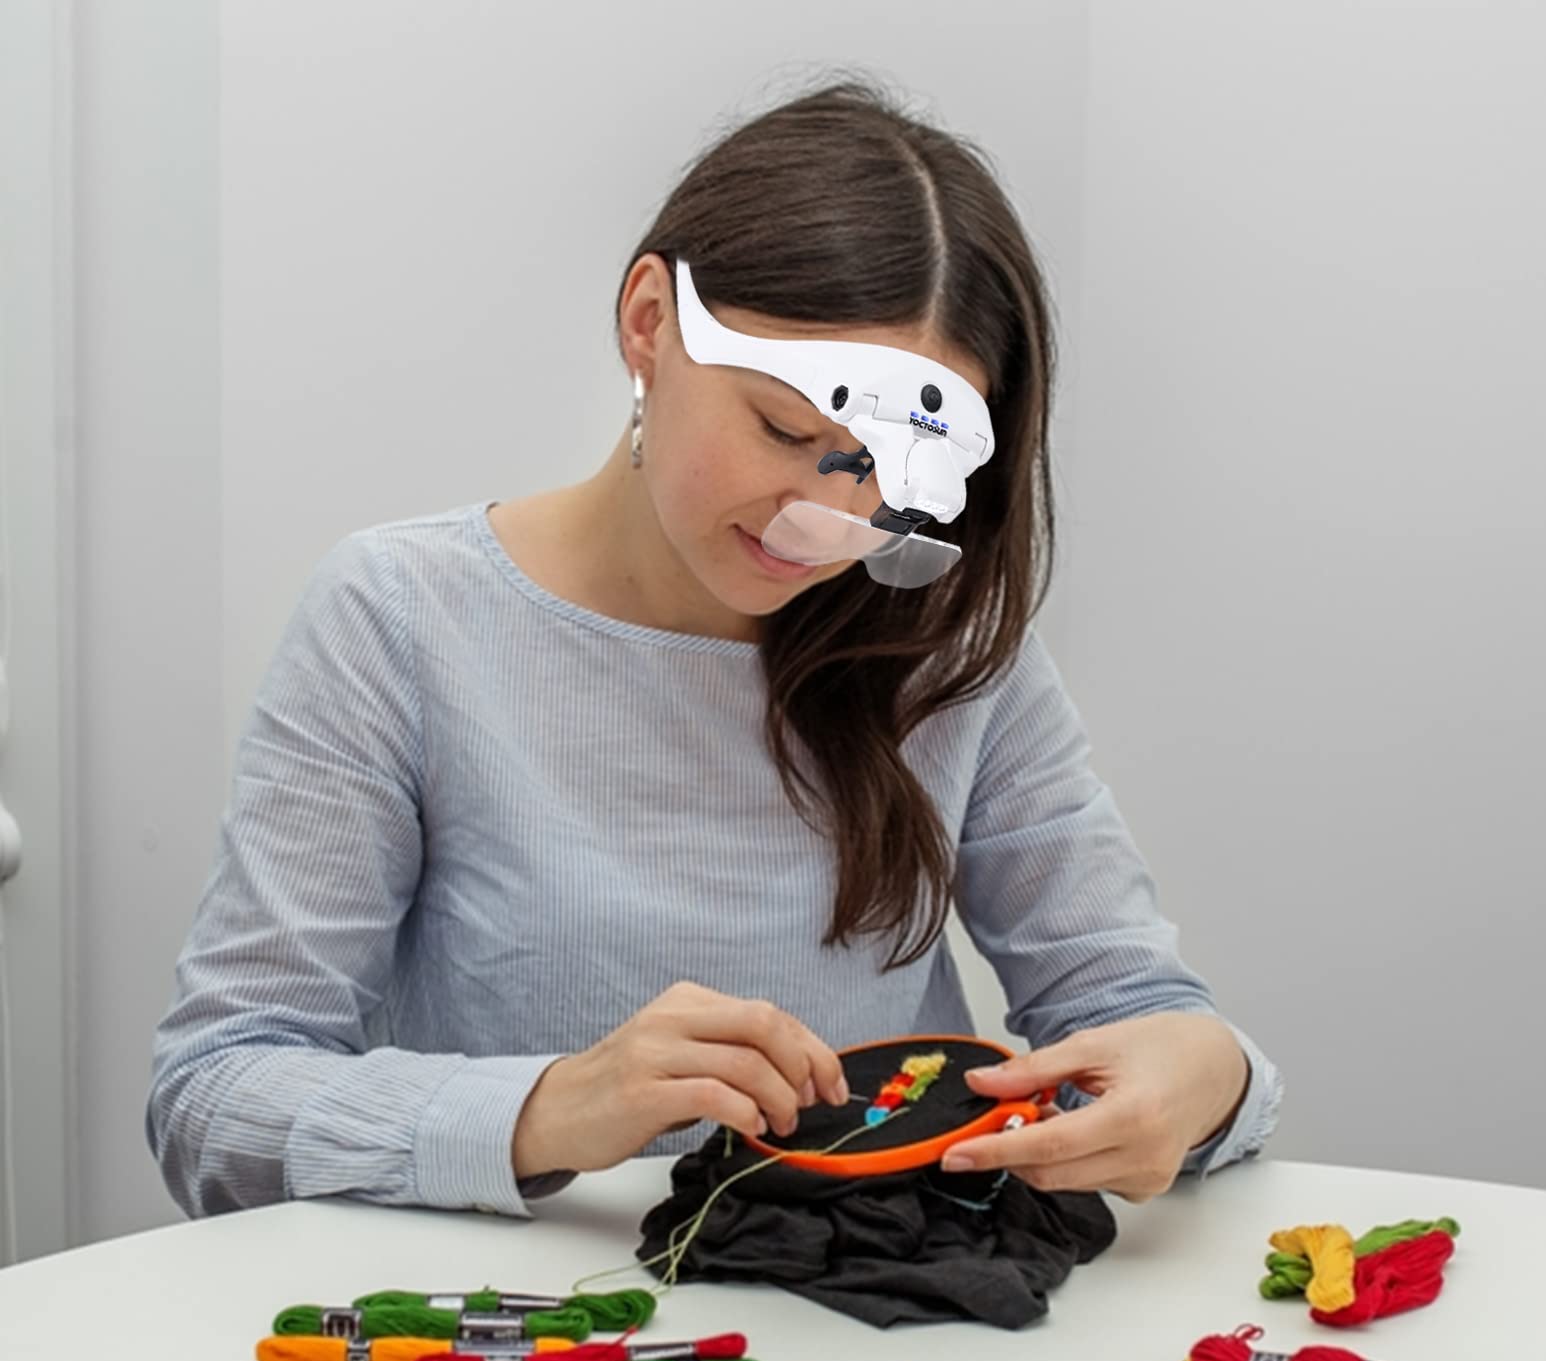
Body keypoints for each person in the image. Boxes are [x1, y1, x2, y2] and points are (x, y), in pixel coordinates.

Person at [147, 76, 1281, 1223]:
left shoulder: (943, 647)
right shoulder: (401, 618)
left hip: (875, 1296)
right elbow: (215, 1095)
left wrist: (1202, 1076)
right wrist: (550, 1107)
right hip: (533, 1316)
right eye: (786, 432)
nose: (830, 516)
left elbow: (1130, 1006)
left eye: (897, 479)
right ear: (649, 322)